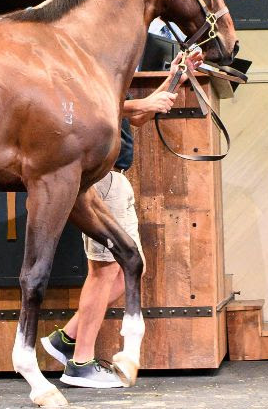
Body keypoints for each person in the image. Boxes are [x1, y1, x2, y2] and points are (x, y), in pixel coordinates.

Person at [40, 46, 201, 388]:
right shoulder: (82, 68)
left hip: (118, 177)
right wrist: (141, 104)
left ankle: (65, 339)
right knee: (106, 270)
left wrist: (176, 75)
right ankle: (80, 363)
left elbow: (140, 117)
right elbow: (87, 111)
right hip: (103, 177)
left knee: (130, 266)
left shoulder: (110, 70)